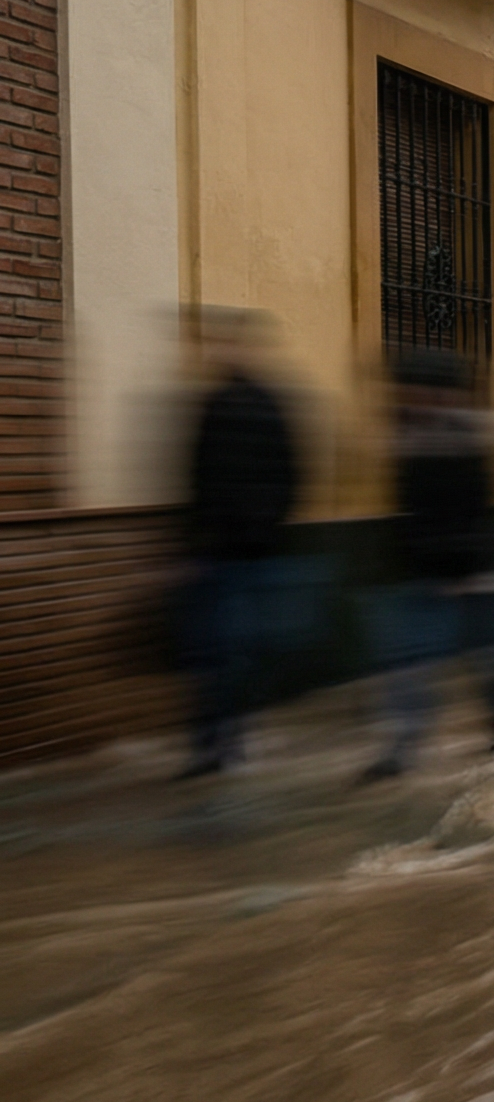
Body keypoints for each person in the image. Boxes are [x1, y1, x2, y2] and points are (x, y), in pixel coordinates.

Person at [363, 349, 494, 782]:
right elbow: (407, 507)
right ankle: (403, 746)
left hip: (475, 571)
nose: (408, 396)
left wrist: (468, 565)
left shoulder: (471, 438)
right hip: (426, 572)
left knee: (489, 660)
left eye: (415, 388)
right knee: (409, 661)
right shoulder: (405, 436)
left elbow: (482, 506)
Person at [177, 309, 301, 779]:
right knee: (214, 648)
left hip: (246, 551)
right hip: (218, 551)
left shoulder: (264, 405)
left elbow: (288, 474)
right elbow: (198, 476)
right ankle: (218, 739)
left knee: (229, 647)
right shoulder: (214, 404)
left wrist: (260, 529)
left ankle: (224, 738)